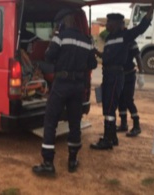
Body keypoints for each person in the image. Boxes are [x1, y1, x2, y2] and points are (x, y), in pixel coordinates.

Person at [32, 8, 97, 176]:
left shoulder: (60, 37)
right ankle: (73, 161)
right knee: (74, 123)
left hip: (61, 84)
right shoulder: (87, 40)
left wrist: (55, 37)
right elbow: (93, 64)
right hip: (78, 87)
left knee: (51, 121)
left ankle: (48, 163)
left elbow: (49, 57)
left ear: (64, 22)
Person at [90, 0, 154, 150]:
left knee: (110, 107)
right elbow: (107, 57)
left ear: (116, 23)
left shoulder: (125, 36)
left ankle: (107, 139)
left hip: (116, 75)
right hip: (107, 74)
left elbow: (142, 26)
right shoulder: (108, 39)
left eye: (109, 22)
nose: (107, 24)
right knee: (108, 105)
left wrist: (152, 7)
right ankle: (112, 137)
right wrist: (96, 52)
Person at [117, 40, 144, 137]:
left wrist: (141, 74)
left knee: (128, 100)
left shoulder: (131, 41)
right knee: (120, 100)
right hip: (120, 75)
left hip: (129, 75)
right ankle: (123, 124)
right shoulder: (117, 39)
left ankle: (137, 126)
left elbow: (138, 57)